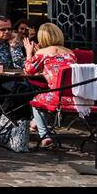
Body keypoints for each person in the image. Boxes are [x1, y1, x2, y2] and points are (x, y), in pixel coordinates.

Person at [22, 22, 76, 150]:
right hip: (75, 96)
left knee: (36, 100)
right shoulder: (71, 53)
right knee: (44, 95)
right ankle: (35, 123)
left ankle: (45, 136)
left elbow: (29, 71)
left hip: (58, 97)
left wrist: (29, 53)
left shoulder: (43, 52)